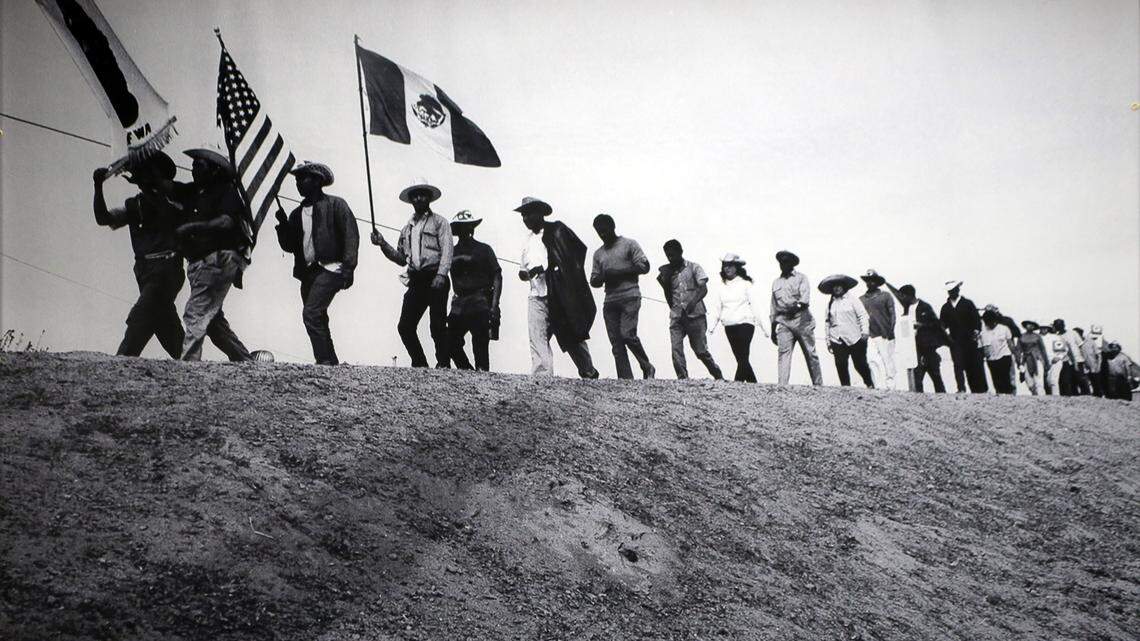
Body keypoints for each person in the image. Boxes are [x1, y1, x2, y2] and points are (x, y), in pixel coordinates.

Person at [156, 147, 253, 362]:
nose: (193, 170)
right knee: (213, 321)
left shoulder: (226, 191)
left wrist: (193, 228)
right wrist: (143, 167)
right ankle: (247, 362)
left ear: (215, 170)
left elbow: (227, 221)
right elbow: (166, 186)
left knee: (196, 312)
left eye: (199, 165)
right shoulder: (192, 192)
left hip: (218, 259)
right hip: (203, 262)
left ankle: (190, 365)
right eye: (193, 165)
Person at [91, 152, 185, 358]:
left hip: (167, 269)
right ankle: (190, 362)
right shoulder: (134, 205)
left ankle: (121, 361)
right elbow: (103, 218)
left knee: (141, 316)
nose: (141, 175)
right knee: (163, 322)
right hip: (144, 271)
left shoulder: (174, 201)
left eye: (149, 171)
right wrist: (98, 186)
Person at [273, 161, 358, 365]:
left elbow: (350, 236)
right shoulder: (296, 213)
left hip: (332, 267)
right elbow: (289, 246)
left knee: (310, 313)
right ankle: (330, 362)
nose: (299, 183)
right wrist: (283, 225)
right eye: (297, 179)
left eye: (303, 178)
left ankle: (324, 362)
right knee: (319, 317)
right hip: (308, 272)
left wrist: (348, 267)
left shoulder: (336, 204)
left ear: (318, 180)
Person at [371, 180, 453, 368]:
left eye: (422, 194)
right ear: (411, 200)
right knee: (405, 326)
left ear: (429, 198)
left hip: (435, 276)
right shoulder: (407, 228)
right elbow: (401, 258)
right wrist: (382, 244)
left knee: (437, 325)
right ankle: (420, 363)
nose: (418, 198)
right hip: (416, 279)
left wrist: (441, 274)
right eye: (414, 195)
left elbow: (447, 250)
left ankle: (443, 364)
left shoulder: (440, 222)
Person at [516, 197, 598, 378]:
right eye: (523, 215)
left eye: (529, 213)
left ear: (540, 213)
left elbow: (577, 253)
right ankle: (542, 377)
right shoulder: (527, 241)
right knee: (537, 337)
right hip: (536, 295)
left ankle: (588, 371)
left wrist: (553, 270)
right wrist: (528, 274)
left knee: (572, 336)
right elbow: (522, 272)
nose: (526, 218)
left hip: (559, 294)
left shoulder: (558, 230)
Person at [589, 214, 655, 379]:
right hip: (610, 300)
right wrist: (604, 276)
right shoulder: (598, 254)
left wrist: (619, 272)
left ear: (613, 227)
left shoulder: (629, 244)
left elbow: (644, 266)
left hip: (630, 296)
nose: (602, 234)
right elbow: (594, 280)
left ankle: (647, 366)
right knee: (616, 343)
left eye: (605, 230)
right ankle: (625, 381)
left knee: (627, 334)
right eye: (599, 232)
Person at [657, 240, 722, 380]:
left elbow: (703, 288)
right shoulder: (667, 272)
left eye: (673, 255)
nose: (670, 258)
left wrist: (692, 302)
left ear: (681, 252)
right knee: (676, 349)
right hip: (677, 317)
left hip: (696, 316)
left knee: (700, 351)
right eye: (668, 256)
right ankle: (683, 378)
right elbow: (668, 294)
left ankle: (717, 374)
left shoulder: (694, 267)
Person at [446, 210, 501, 371]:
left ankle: (481, 378)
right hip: (459, 302)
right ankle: (467, 372)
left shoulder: (484, 249)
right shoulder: (451, 252)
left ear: (473, 228)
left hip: (480, 301)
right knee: (449, 341)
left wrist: (495, 305)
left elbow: (497, 275)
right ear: (456, 230)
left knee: (480, 344)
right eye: (460, 227)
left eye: (468, 226)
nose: (465, 230)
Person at [708, 253, 766, 383]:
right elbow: (717, 308)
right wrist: (711, 327)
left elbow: (757, 307)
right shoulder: (721, 287)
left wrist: (765, 328)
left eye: (730, 266)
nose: (727, 269)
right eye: (725, 266)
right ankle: (753, 386)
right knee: (741, 359)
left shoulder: (746, 284)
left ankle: (736, 385)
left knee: (743, 357)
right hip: (729, 326)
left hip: (745, 324)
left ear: (737, 267)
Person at [769, 250, 823, 386]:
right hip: (784, 322)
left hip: (802, 320)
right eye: (781, 263)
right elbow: (773, 308)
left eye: (787, 262)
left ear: (792, 264)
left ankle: (818, 385)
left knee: (811, 353)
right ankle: (782, 385)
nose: (783, 265)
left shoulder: (801, 278)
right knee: (783, 353)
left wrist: (796, 307)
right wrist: (772, 329)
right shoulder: (776, 283)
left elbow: (804, 300)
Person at [882, 280, 947, 393]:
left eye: (903, 295)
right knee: (917, 378)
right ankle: (919, 403)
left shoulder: (925, 307)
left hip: (928, 347)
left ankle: (943, 400)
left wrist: (922, 325)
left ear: (909, 295)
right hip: (914, 349)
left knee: (935, 375)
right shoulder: (906, 309)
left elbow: (937, 325)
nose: (901, 298)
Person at [822, 274, 874, 388]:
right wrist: (828, 341)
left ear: (844, 286)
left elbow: (863, 316)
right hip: (837, 339)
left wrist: (865, 332)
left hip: (855, 338)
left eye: (839, 285)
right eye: (834, 286)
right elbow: (827, 323)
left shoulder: (853, 300)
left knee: (860, 365)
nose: (836, 288)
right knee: (840, 364)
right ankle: (846, 388)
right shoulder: (831, 303)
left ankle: (869, 384)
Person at [939, 281, 987, 393]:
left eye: (954, 290)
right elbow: (942, 325)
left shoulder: (968, 304)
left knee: (972, 364)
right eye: (950, 291)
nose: (952, 293)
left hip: (969, 340)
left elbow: (976, 320)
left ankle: (977, 389)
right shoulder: (945, 307)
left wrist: (976, 332)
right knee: (958, 364)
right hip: (954, 341)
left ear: (958, 290)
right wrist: (946, 338)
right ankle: (961, 388)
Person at [859, 270, 897, 389]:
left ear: (877, 282)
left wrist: (891, 329)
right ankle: (878, 386)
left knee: (887, 360)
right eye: (868, 281)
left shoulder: (885, 296)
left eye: (873, 281)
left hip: (885, 333)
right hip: (870, 334)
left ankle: (891, 386)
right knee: (872, 360)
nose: (870, 283)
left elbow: (892, 314)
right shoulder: (861, 299)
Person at [984, 305, 1022, 394]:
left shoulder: (1007, 321)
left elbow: (1017, 334)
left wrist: (1016, 353)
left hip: (1006, 352)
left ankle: (1011, 394)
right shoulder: (985, 326)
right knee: (997, 378)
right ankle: (1000, 394)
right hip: (993, 355)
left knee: (1008, 376)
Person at [1017, 321, 1050, 396]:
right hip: (1026, 359)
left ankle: (1041, 397)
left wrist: (1046, 362)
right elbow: (1018, 350)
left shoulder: (1037, 336)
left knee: (1039, 381)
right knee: (1029, 381)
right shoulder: (1021, 337)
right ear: (1025, 326)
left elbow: (1043, 350)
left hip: (1037, 359)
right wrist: (1019, 363)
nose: (1030, 326)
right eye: (1028, 324)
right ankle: (1034, 394)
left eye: (1032, 325)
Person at [1052, 319, 1083, 396]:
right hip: (1066, 361)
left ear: (1064, 325)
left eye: (1060, 324)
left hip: (1078, 359)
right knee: (1069, 381)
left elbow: (1081, 346)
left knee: (1080, 379)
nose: (1059, 326)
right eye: (1057, 325)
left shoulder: (1073, 333)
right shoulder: (1057, 337)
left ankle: (1086, 396)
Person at [1081, 324, 1105, 396]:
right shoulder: (1079, 344)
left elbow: (1099, 355)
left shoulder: (1090, 341)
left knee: (1097, 383)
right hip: (1085, 367)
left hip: (1094, 366)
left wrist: (1098, 366)